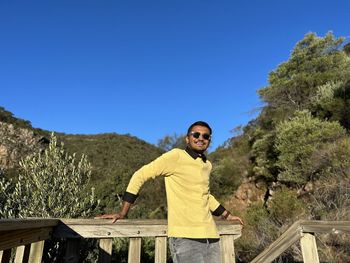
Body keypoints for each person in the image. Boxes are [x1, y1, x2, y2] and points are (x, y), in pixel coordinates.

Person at [96, 121, 243, 263]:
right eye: (196, 134)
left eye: (205, 136)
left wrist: (227, 215)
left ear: (209, 140)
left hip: (211, 237)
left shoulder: (206, 164)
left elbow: (205, 195)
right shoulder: (175, 156)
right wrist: (123, 213)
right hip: (186, 238)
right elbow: (139, 176)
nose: (200, 138)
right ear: (187, 138)